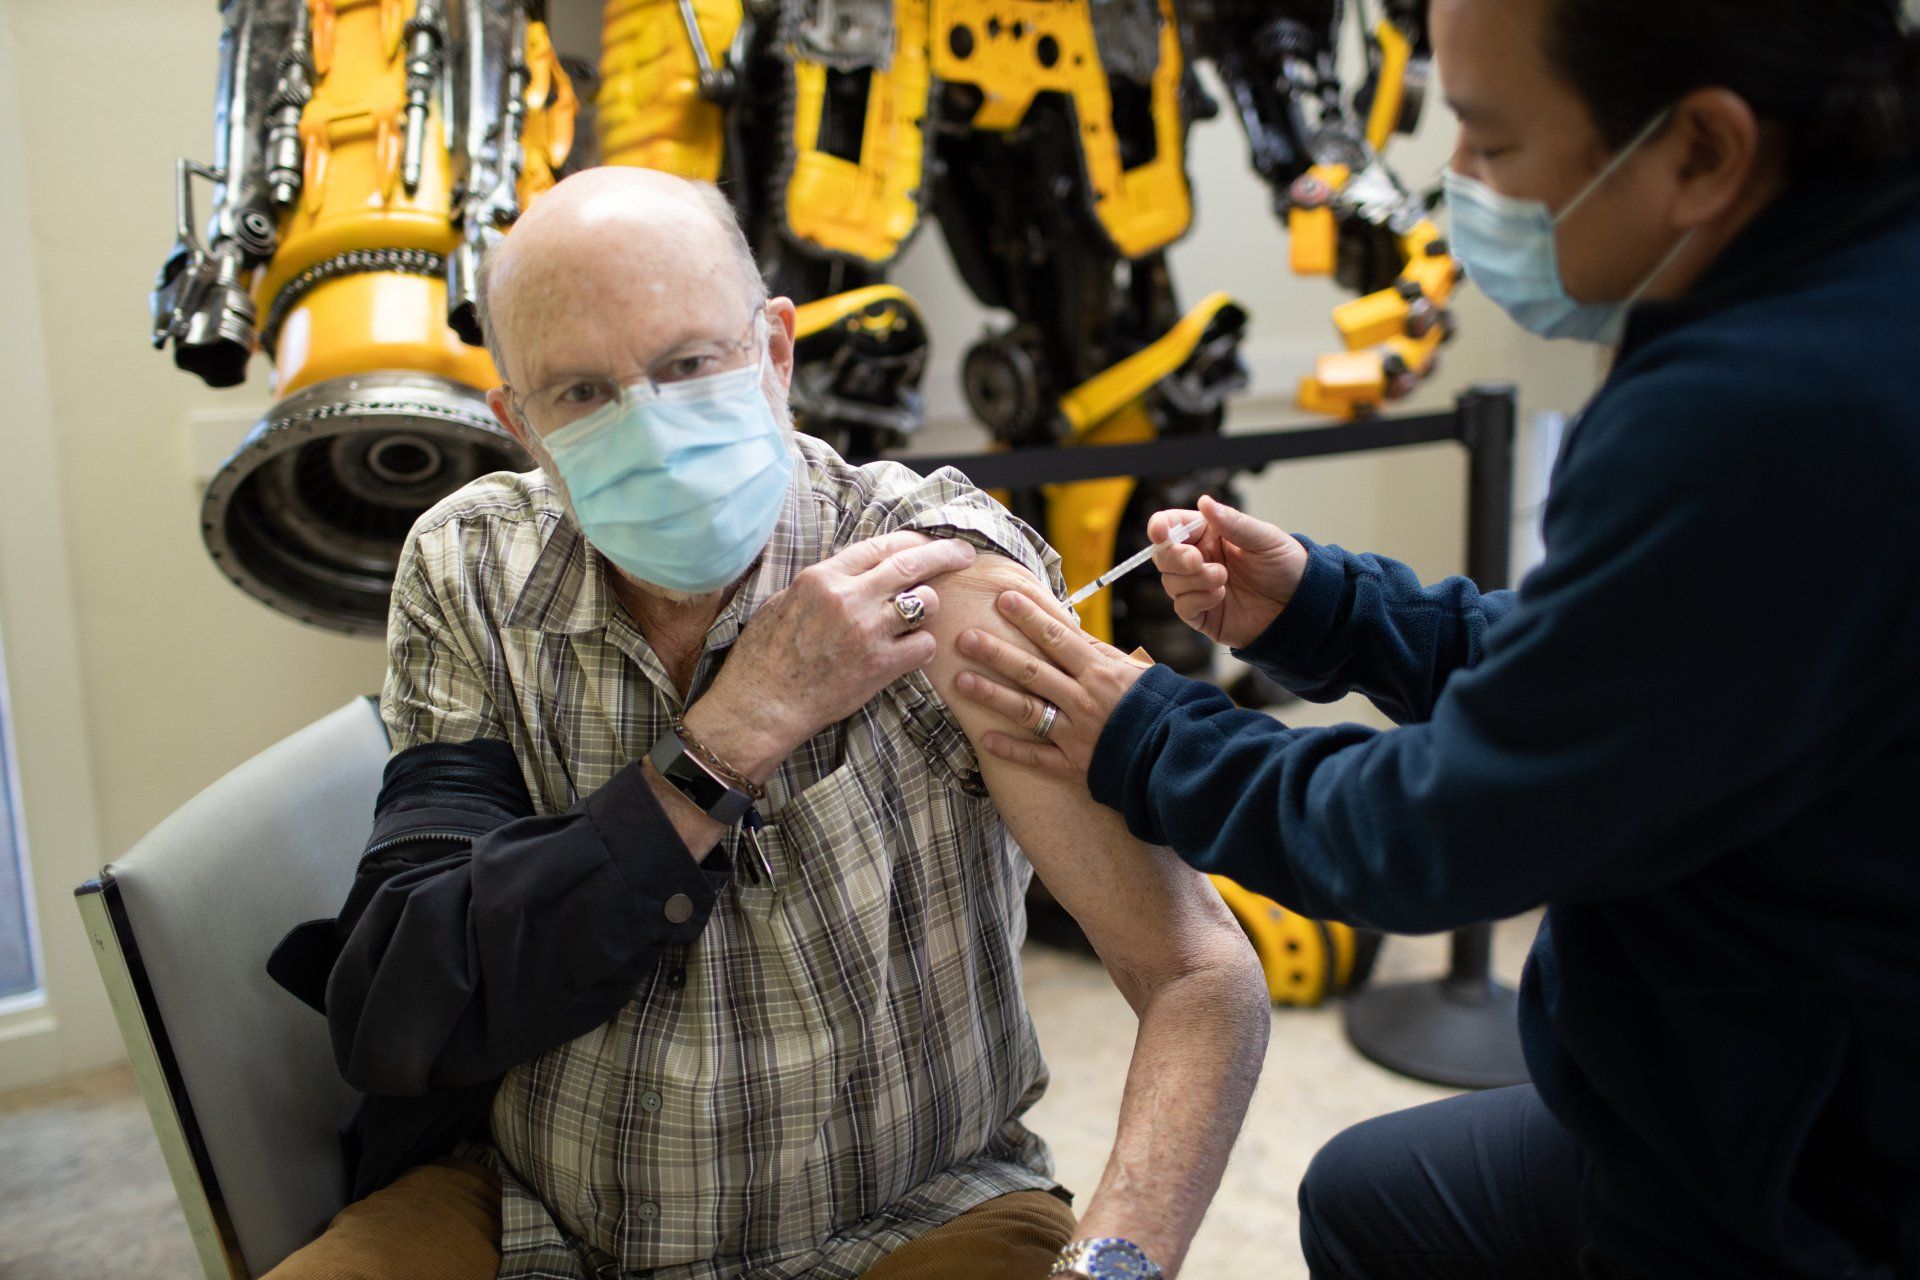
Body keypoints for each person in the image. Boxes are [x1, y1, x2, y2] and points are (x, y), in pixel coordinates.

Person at [947, 1, 1920, 1277]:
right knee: (1374, 1191)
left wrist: (1147, 735)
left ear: (1700, 150)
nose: (1457, 178)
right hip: (1763, 1075)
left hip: (1812, 1176)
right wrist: (1335, 611)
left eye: (1492, 140)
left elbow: (1435, 832)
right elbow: (1633, 661)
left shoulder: (1761, 410)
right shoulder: (1846, 293)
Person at [263, 166, 1269, 1280]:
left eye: (691, 364)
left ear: (776, 353)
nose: (649, 426)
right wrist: (734, 732)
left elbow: (1195, 974)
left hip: (907, 1212)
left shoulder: (942, 577)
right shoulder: (471, 569)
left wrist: (1115, 1267)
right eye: (582, 393)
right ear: (520, 425)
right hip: (535, 1204)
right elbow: (409, 1001)